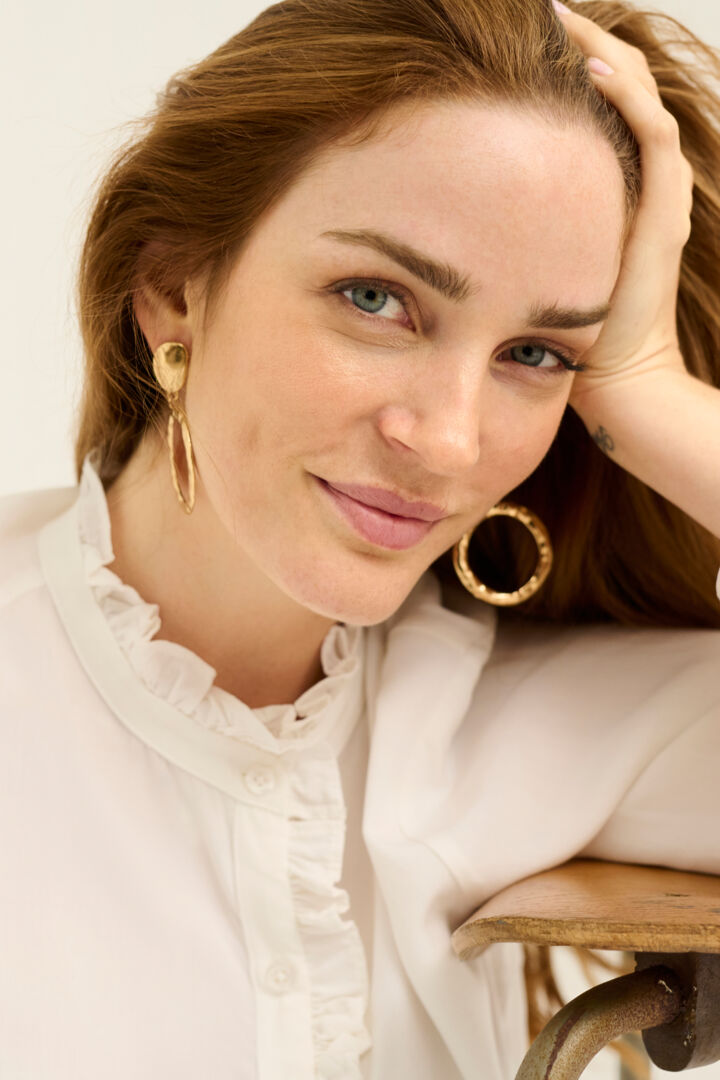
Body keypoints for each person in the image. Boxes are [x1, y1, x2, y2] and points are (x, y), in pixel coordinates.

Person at [1, 0, 719, 1076]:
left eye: (536, 354)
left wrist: (651, 394)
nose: (449, 441)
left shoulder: (505, 726)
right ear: (170, 287)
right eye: (376, 298)